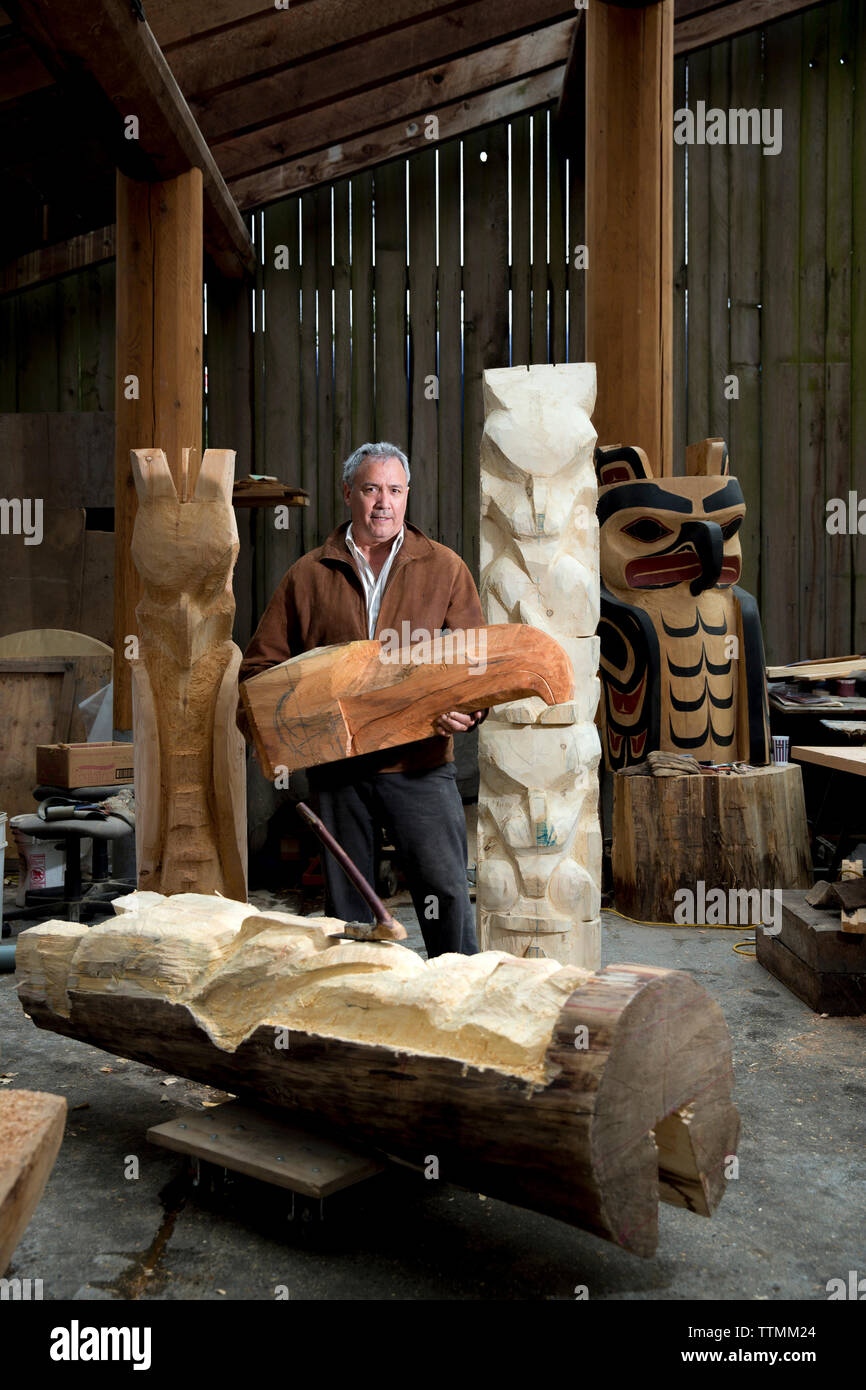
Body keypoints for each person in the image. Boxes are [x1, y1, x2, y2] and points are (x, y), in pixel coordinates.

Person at [236, 441, 486, 957]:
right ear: (348, 493)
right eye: (371, 489)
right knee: (348, 905)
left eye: (395, 490)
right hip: (337, 769)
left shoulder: (443, 569)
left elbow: (476, 666)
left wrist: (471, 709)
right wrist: (285, 737)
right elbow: (260, 670)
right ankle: (356, 999)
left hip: (417, 763)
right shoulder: (310, 574)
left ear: (407, 495)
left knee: (445, 891)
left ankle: (457, 994)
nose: (383, 503)